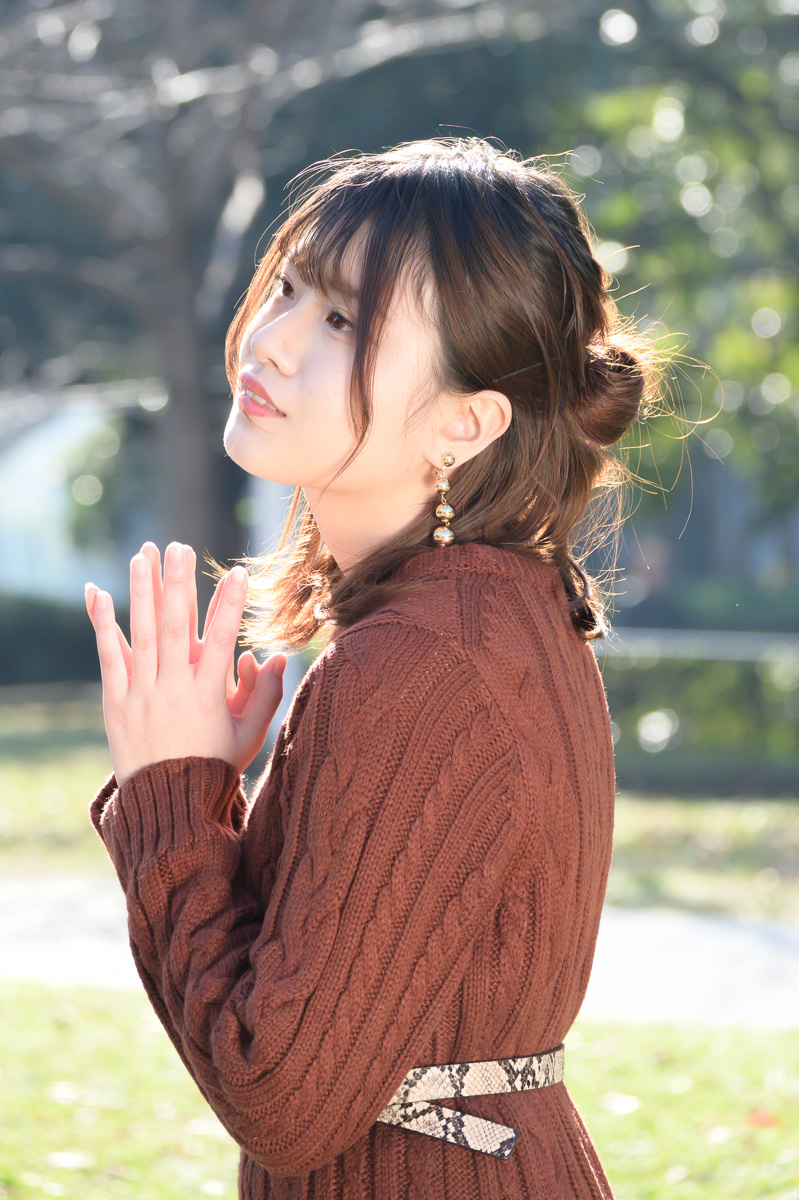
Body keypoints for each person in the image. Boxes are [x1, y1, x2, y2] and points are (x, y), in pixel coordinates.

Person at [85, 136, 666, 1200]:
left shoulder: (421, 661)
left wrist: (173, 791)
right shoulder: (487, 609)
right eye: (290, 287)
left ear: (463, 422)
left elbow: (280, 1098)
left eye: (344, 321)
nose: (272, 341)